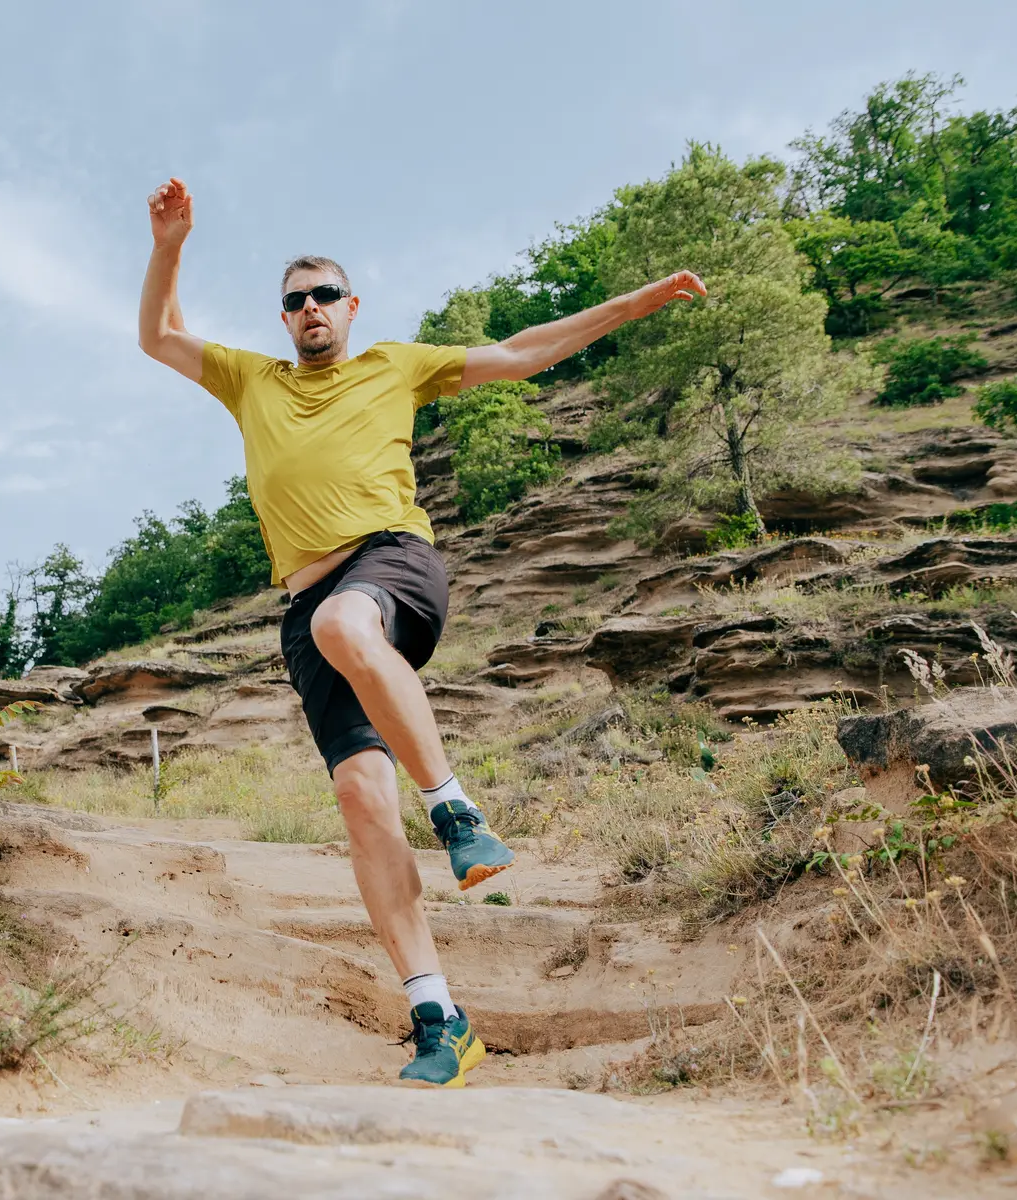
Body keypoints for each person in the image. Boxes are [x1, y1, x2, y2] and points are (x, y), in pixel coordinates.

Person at [136, 177, 705, 1087]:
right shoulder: (254, 381)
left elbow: (524, 351)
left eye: (324, 295)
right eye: (294, 301)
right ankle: (438, 1015)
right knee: (363, 801)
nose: (310, 309)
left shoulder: (395, 364)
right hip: (308, 611)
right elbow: (158, 336)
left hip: (392, 563)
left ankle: (455, 810)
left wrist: (635, 304)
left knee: (343, 621)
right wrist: (171, 243)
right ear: (283, 319)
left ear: (351, 307)